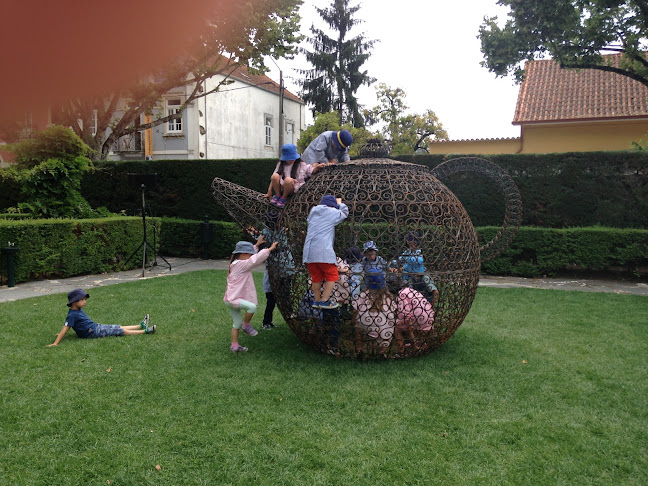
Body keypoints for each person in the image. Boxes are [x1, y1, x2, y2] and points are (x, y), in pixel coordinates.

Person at [224, 235, 278, 353]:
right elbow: (255, 260)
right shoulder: (241, 265)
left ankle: (234, 346)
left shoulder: (237, 263)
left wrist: (257, 245)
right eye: (249, 254)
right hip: (234, 299)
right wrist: (269, 249)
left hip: (229, 299)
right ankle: (246, 325)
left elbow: (250, 258)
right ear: (243, 254)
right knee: (252, 307)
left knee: (236, 323)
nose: (251, 256)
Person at [47, 288, 155, 346]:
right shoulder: (72, 315)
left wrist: (61, 334)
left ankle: (140, 325)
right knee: (120, 331)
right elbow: (66, 327)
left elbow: (69, 328)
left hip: (95, 327)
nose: (85, 302)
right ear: (74, 302)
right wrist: (55, 343)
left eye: (85, 299)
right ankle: (145, 331)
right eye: (82, 300)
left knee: (118, 326)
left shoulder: (78, 309)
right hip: (92, 332)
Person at [303, 194, 349, 309]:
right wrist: (339, 204)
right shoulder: (332, 212)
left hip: (309, 252)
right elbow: (344, 212)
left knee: (316, 277)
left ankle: (316, 300)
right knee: (333, 274)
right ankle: (325, 300)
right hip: (323, 251)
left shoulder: (313, 211)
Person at [265, 143, 326, 208]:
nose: (292, 160)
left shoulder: (301, 164)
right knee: (275, 176)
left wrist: (318, 167)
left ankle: (283, 198)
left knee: (288, 180)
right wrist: (269, 191)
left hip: (293, 188)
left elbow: (311, 170)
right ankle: (278, 196)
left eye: (293, 158)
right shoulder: (281, 164)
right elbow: (274, 178)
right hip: (282, 187)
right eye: (289, 158)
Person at [352, 274, 396, 357]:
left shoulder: (364, 294)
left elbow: (355, 309)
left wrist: (354, 320)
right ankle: (382, 351)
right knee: (389, 326)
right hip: (382, 325)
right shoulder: (387, 295)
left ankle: (359, 350)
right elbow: (393, 311)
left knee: (358, 329)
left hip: (365, 322)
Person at [398, 231, 439, 302]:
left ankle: (433, 295)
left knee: (427, 281)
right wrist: (393, 264)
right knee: (408, 284)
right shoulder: (407, 252)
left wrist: (405, 265)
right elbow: (400, 259)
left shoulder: (419, 251)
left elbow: (418, 260)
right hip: (410, 276)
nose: (410, 244)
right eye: (409, 242)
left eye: (412, 242)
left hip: (421, 274)